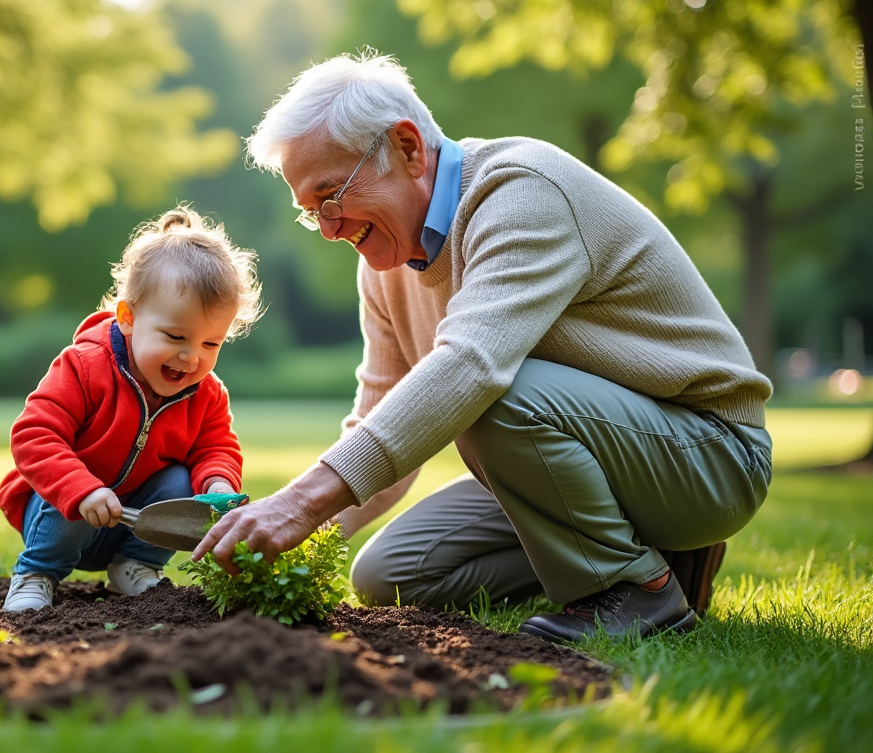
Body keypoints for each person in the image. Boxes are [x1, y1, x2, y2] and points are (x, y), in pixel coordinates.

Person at [192, 51, 773, 643]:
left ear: (408, 148)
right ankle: (661, 561)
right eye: (310, 212)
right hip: (590, 454)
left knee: (488, 391)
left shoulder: (521, 192)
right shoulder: (384, 266)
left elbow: (470, 367)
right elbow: (380, 421)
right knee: (390, 574)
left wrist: (301, 503)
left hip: (710, 455)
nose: (329, 228)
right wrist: (278, 537)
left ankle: (633, 591)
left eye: (331, 195)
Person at [0, 205, 263, 612]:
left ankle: (135, 565)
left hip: (132, 521)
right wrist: (80, 489)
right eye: (176, 336)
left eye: (211, 344)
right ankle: (35, 573)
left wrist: (218, 484)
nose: (191, 357)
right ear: (128, 318)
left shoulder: (206, 393)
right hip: (62, 515)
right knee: (71, 480)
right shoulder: (85, 367)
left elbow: (216, 448)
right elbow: (34, 435)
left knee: (181, 481)